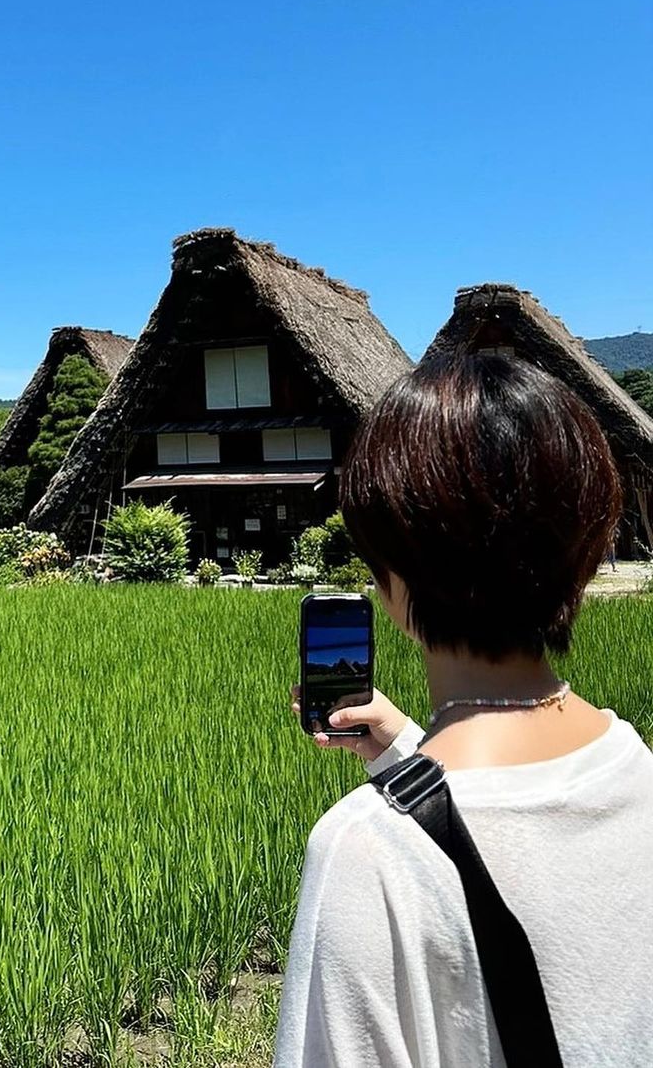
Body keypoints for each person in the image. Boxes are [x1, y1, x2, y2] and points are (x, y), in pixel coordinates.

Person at [272, 352, 653, 1068]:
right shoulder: (637, 772)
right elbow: (524, 828)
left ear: (399, 585)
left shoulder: (368, 854)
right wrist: (404, 753)